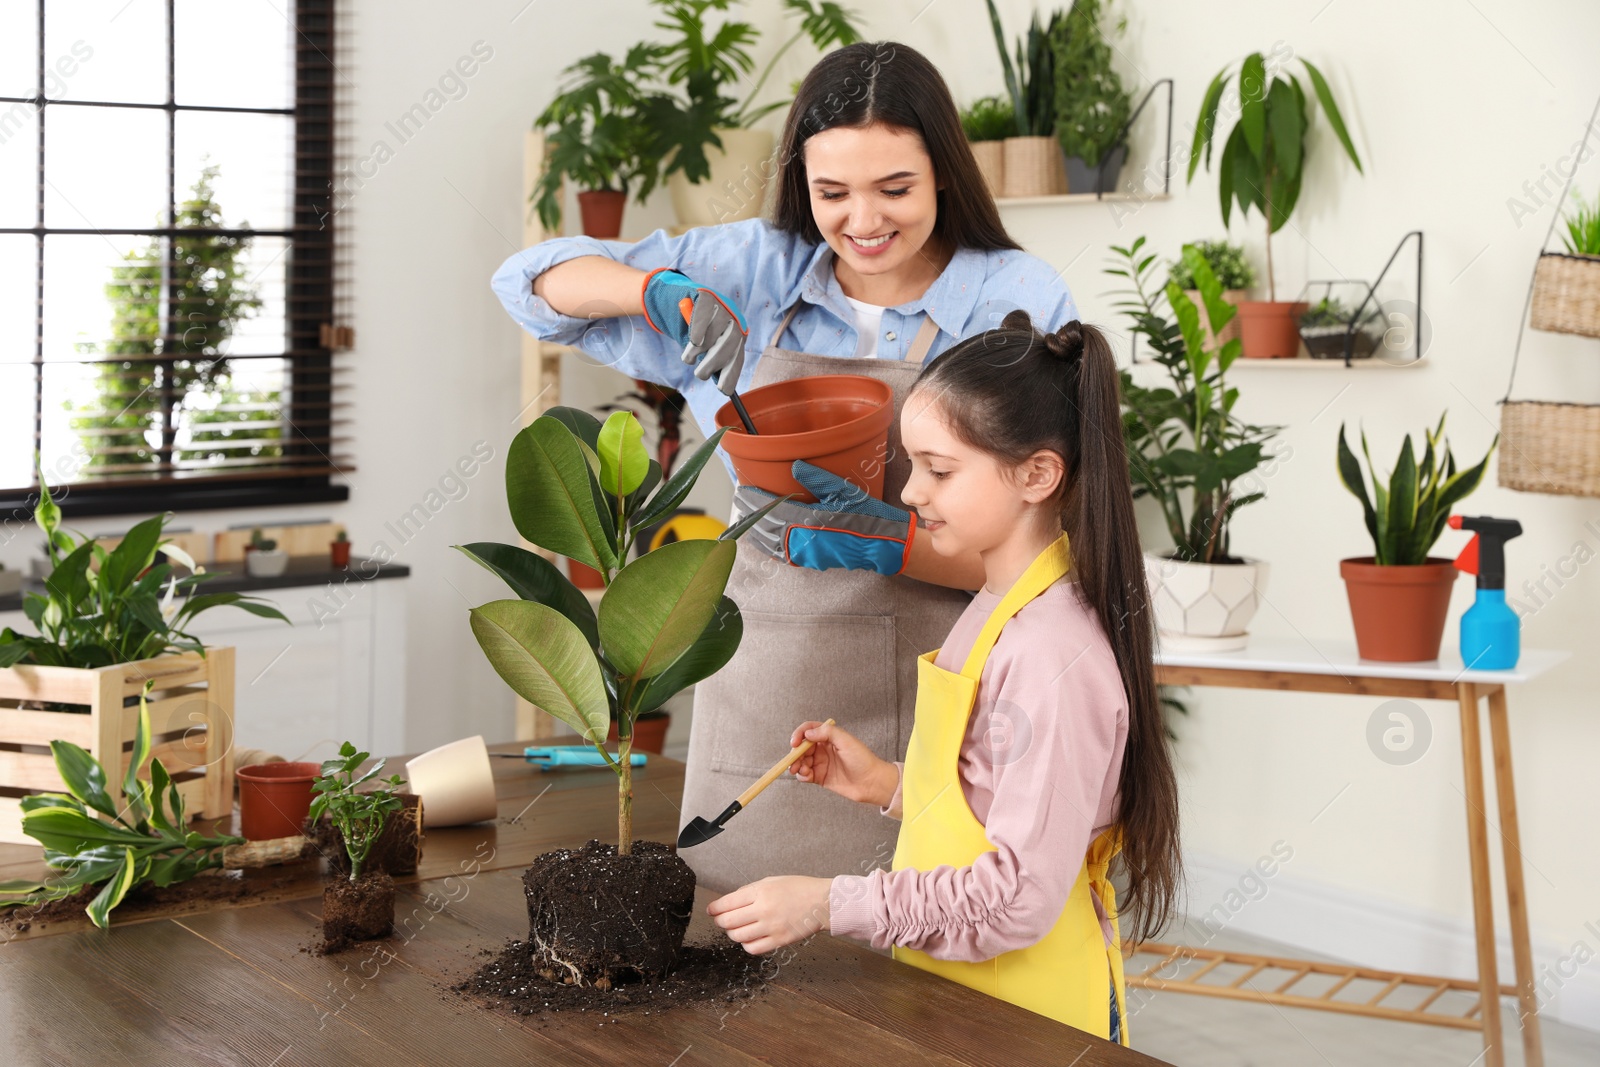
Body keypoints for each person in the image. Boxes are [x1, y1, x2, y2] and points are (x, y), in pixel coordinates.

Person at [490, 41, 1075, 894]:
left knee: (926, 967)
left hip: (951, 680)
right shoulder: (755, 270)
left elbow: (1040, 554)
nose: (862, 221)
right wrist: (659, 291)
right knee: (748, 964)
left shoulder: (1015, 299)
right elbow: (528, 283)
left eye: (895, 189)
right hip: (770, 680)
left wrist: (891, 542)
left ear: (945, 173)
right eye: (830, 191)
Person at [704, 313, 1184, 1045]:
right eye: (911, 463)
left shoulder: (1052, 656)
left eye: (940, 468)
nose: (908, 493)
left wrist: (829, 903)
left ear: (1038, 474)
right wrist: (892, 785)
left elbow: (1017, 897)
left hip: (1034, 1018)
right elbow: (997, 805)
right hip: (964, 1000)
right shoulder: (995, 605)